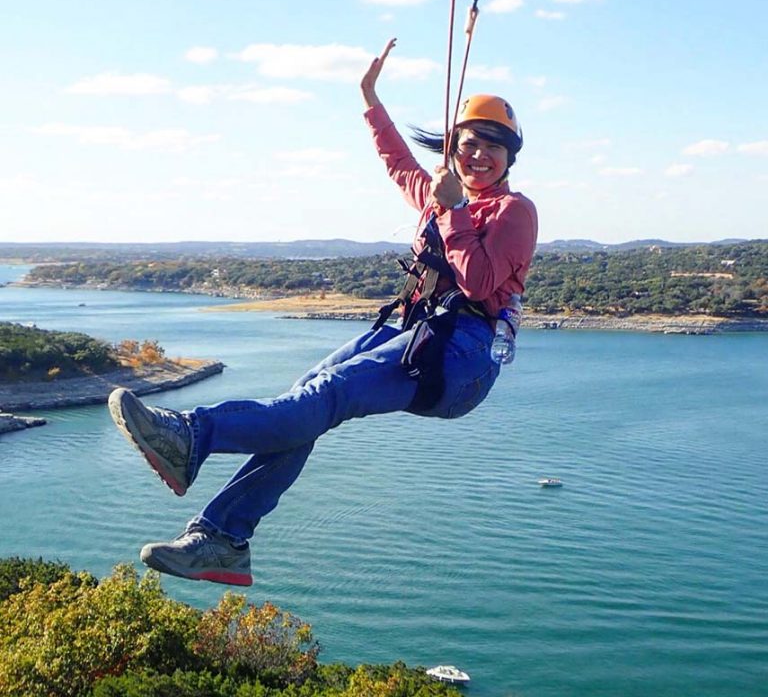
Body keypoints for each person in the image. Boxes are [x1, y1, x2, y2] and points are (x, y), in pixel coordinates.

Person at [108, 38, 538, 586]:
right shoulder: (440, 194)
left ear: (510, 158)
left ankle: (191, 436)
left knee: (323, 398)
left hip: (463, 357)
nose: (480, 155)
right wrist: (369, 100)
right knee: (307, 393)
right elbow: (398, 163)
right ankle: (223, 539)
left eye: (493, 147)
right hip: (423, 334)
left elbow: (478, 281)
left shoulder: (514, 211)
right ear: (453, 148)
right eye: (471, 144)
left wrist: (453, 209)